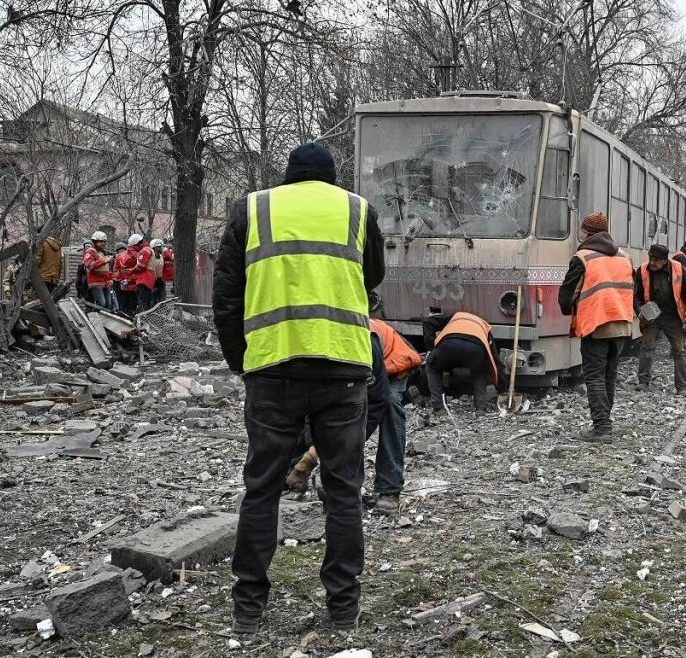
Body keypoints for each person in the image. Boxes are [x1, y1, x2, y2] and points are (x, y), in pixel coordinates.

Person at [212, 142, 385, 635]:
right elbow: (373, 274)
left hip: (272, 370)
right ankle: (342, 608)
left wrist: (241, 361)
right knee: (344, 491)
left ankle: (248, 607)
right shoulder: (356, 210)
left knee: (262, 489)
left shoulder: (253, 209)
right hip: (342, 369)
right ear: (330, 178)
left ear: (288, 177)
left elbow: (226, 293)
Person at [286, 316, 419, 514]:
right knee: (304, 403)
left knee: (391, 405)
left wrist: (348, 443)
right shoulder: (315, 348)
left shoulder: (364, 341)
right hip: (351, 367)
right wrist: (310, 456)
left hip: (393, 364)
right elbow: (313, 405)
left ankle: (389, 489)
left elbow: (376, 402)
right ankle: (292, 472)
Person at [558, 211, 635, 443]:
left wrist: (568, 309)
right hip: (622, 324)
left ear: (586, 232)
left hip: (597, 325)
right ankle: (605, 423)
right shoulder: (624, 256)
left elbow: (566, 296)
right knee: (609, 376)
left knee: (594, 377)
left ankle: (602, 428)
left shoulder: (582, 257)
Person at [634, 244, 686, 395]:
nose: (652, 262)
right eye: (650, 258)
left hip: (674, 315)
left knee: (679, 350)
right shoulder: (642, 270)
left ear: (664, 260)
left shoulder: (678, 269)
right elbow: (636, 295)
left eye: (656, 260)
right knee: (647, 347)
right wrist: (640, 312)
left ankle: (681, 387)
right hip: (652, 314)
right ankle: (643, 382)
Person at [426, 311, 501, 413]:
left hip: (449, 343)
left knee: (432, 367)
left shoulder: (456, 316)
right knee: (480, 371)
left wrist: (431, 346)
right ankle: (481, 407)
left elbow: (428, 321)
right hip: (475, 346)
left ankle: (438, 407)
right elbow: (494, 358)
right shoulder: (484, 325)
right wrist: (502, 386)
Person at [82, 232, 113, 309]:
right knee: (101, 304)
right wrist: (105, 261)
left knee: (108, 305)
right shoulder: (90, 251)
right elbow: (90, 264)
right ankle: (94, 317)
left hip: (105, 282)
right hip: (95, 282)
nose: (104, 243)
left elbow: (106, 269)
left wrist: (110, 279)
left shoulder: (102, 253)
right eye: (102, 241)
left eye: (104, 241)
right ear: (95, 241)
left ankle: (103, 320)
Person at [129, 234, 156, 313]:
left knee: (144, 302)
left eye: (134, 246)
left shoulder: (144, 251)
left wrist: (131, 270)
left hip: (144, 279)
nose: (134, 249)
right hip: (149, 279)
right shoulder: (149, 249)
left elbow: (140, 266)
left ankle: (144, 319)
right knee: (147, 301)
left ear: (138, 244)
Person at [113, 242, 137, 317]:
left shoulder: (131, 259)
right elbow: (114, 271)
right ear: (117, 252)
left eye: (123, 250)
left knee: (131, 304)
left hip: (130, 285)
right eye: (120, 251)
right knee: (122, 304)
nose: (122, 253)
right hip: (119, 285)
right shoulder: (115, 259)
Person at [149, 239, 167, 305]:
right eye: (158, 247)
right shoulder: (150, 257)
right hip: (152, 282)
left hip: (161, 281)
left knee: (162, 301)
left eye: (160, 247)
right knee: (153, 301)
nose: (160, 248)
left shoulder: (162, 257)